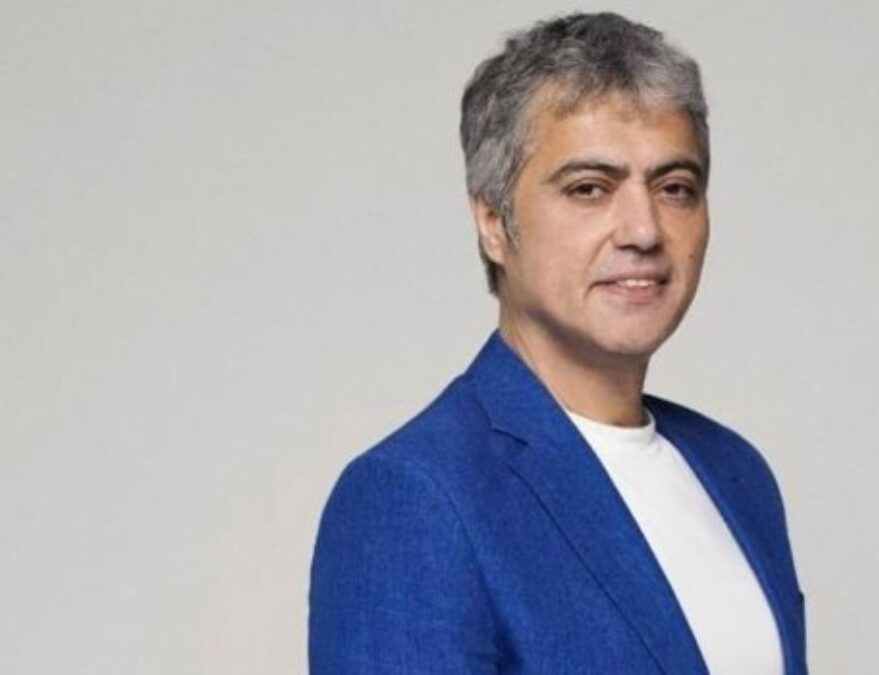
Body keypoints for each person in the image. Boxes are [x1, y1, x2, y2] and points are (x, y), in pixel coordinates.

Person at [309, 12, 807, 674]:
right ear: (494, 221)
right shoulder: (415, 498)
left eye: (675, 188)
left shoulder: (737, 473)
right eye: (589, 189)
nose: (643, 230)